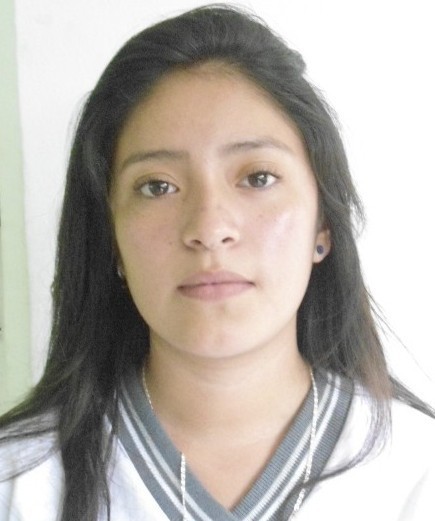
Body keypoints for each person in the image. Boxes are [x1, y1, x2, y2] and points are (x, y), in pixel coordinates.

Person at [0, 4, 434, 521]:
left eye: (257, 178)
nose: (208, 228)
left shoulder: (417, 472)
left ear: (323, 224)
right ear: (110, 237)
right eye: (157, 186)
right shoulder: (18, 484)